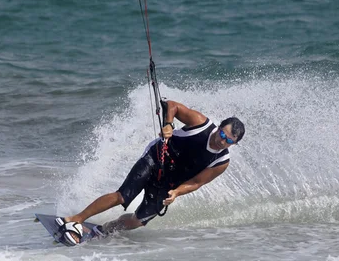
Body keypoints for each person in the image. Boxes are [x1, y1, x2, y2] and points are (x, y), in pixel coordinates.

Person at [55, 100, 245, 246]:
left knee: (139, 221)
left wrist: (177, 192)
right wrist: (169, 124)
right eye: (222, 135)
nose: (222, 141)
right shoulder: (200, 123)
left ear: (234, 144)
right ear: (219, 127)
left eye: (229, 141)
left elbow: (197, 182)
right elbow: (172, 105)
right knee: (123, 196)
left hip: (170, 182)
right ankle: (74, 220)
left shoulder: (222, 162)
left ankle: (103, 230)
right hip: (155, 158)